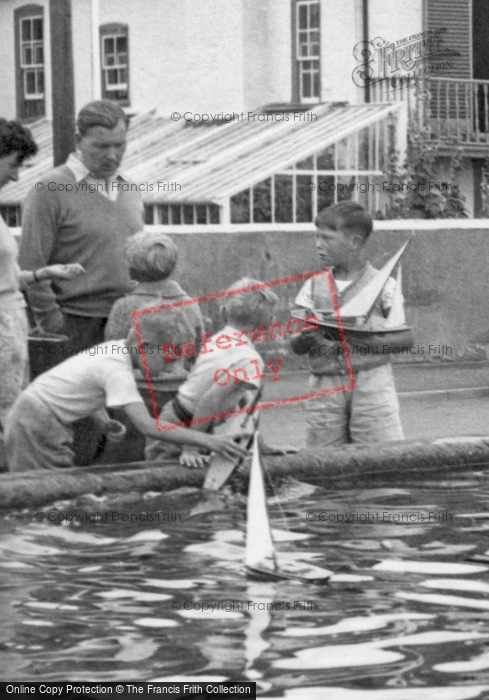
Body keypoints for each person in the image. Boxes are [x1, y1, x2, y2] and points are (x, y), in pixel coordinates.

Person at [5, 308, 249, 473]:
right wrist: (209, 440)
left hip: (34, 413)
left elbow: (78, 383)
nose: (171, 369)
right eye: (167, 359)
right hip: (36, 423)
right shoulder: (117, 369)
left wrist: (102, 420)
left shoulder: (112, 350)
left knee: (53, 487)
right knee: (52, 492)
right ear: (145, 347)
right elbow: (149, 426)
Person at [18, 99, 144, 350]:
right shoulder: (48, 190)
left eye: (119, 145)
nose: (112, 155)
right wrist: (53, 323)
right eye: (101, 146)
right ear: (78, 140)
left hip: (128, 320)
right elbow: (32, 263)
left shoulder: (130, 188)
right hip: (74, 324)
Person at [290, 201, 414, 447]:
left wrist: (365, 339)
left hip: (372, 383)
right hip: (325, 385)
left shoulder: (383, 285)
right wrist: (303, 340)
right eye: (317, 237)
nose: (318, 244)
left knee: (380, 457)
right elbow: (295, 343)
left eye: (327, 238)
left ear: (355, 242)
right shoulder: (312, 287)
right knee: (324, 460)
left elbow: (406, 339)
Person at [0, 119, 84, 463]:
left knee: (14, 416)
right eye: (14, 164)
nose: (18, 176)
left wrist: (40, 275)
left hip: (12, 325)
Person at [145, 278, 279, 468]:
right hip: (185, 428)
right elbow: (209, 400)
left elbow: (246, 402)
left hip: (183, 420)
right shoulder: (249, 359)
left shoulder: (221, 339)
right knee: (167, 483)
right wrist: (191, 447)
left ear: (224, 312)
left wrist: (260, 445)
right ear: (266, 324)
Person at [104, 231, 203, 370]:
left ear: (132, 267)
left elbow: (112, 355)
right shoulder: (190, 304)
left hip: (137, 383)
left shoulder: (123, 306)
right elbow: (198, 352)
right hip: (179, 382)